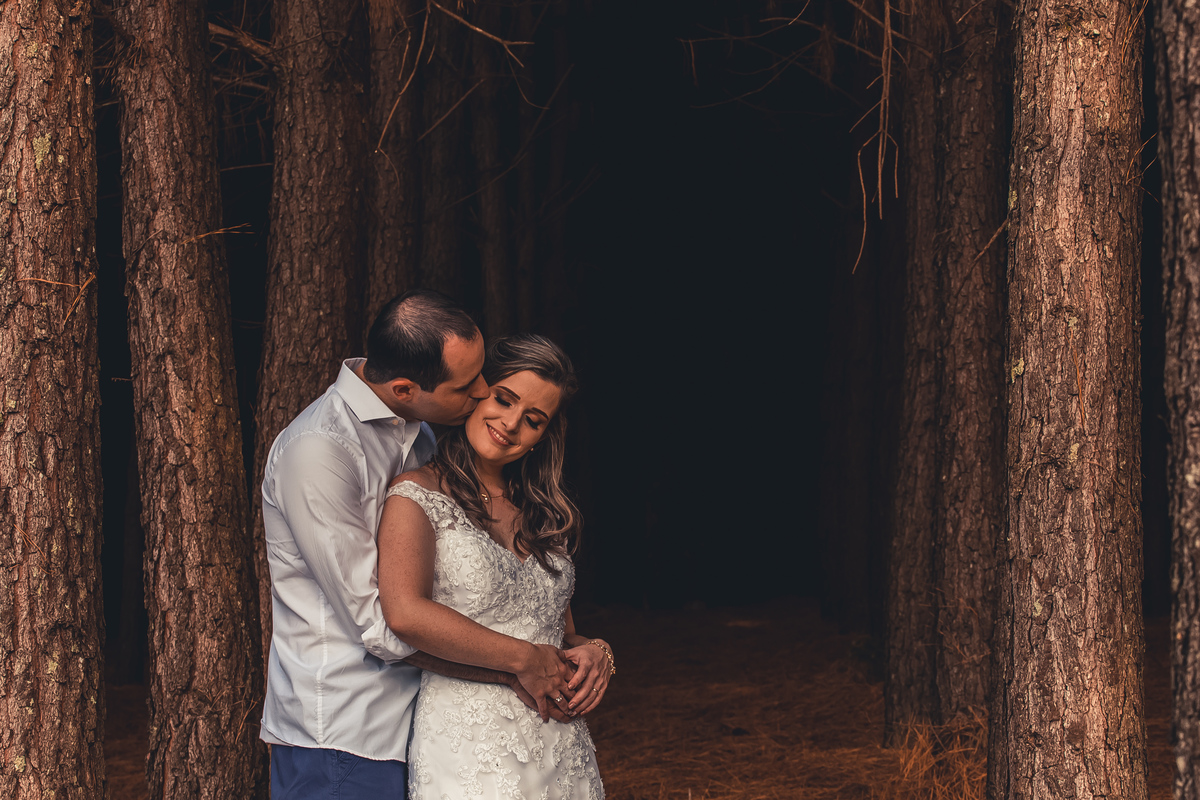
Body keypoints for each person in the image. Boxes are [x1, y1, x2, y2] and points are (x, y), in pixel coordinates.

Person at [260, 291, 574, 799]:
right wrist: (518, 667)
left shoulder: (423, 435)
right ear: (405, 387)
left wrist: (589, 653)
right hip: (345, 730)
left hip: (421, 726)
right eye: (468, 385)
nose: (481, 392)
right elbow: (381, 623)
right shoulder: (318, 452)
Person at [378, 333, 611, 800]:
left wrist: (598, 653)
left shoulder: (543, 513)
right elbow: (404, 613)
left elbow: (560, 634)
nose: (510, 423)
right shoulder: (417, 494)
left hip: (561, 746)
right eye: (504, 399)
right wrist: (524, 659)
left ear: (542, 438)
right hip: (470, 744)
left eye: (533, 420)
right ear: (479, 390)